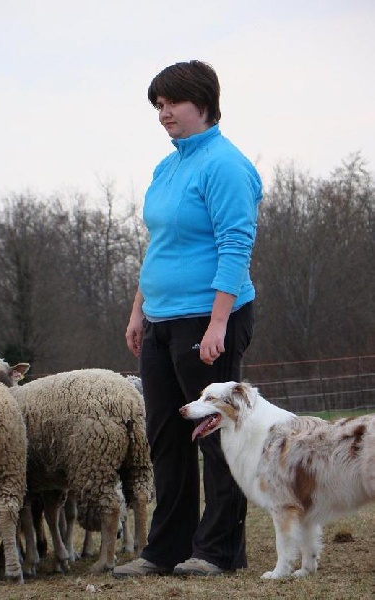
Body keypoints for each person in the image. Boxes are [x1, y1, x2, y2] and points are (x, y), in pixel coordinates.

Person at [113, 60, 263, 578]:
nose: (163, 114)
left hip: (209, 317)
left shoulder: (226, 164)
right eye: (158, 105)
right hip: (159, 320)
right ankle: (166, 549)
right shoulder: (167, 166)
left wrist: (219, 323)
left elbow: (236, 244)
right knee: (165, 435)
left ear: (202, 102)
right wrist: (138, 312)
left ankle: (219, 550)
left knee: (218, 434)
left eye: (171, 103)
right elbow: (161, 242)